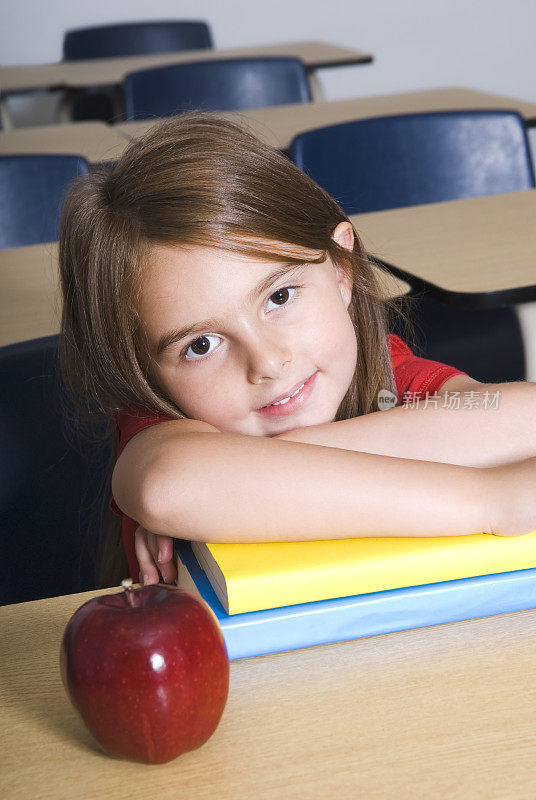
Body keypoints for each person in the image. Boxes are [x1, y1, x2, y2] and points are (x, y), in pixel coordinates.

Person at [59, 113, 536, 589]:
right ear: (144, 370)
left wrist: (256, 464)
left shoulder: (386, 372)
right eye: (201, 345)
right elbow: (167, 486)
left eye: (279, 297)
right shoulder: (160, 421)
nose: (267, 362)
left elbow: (520, 416)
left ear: (341, 271)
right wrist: (489, 499)